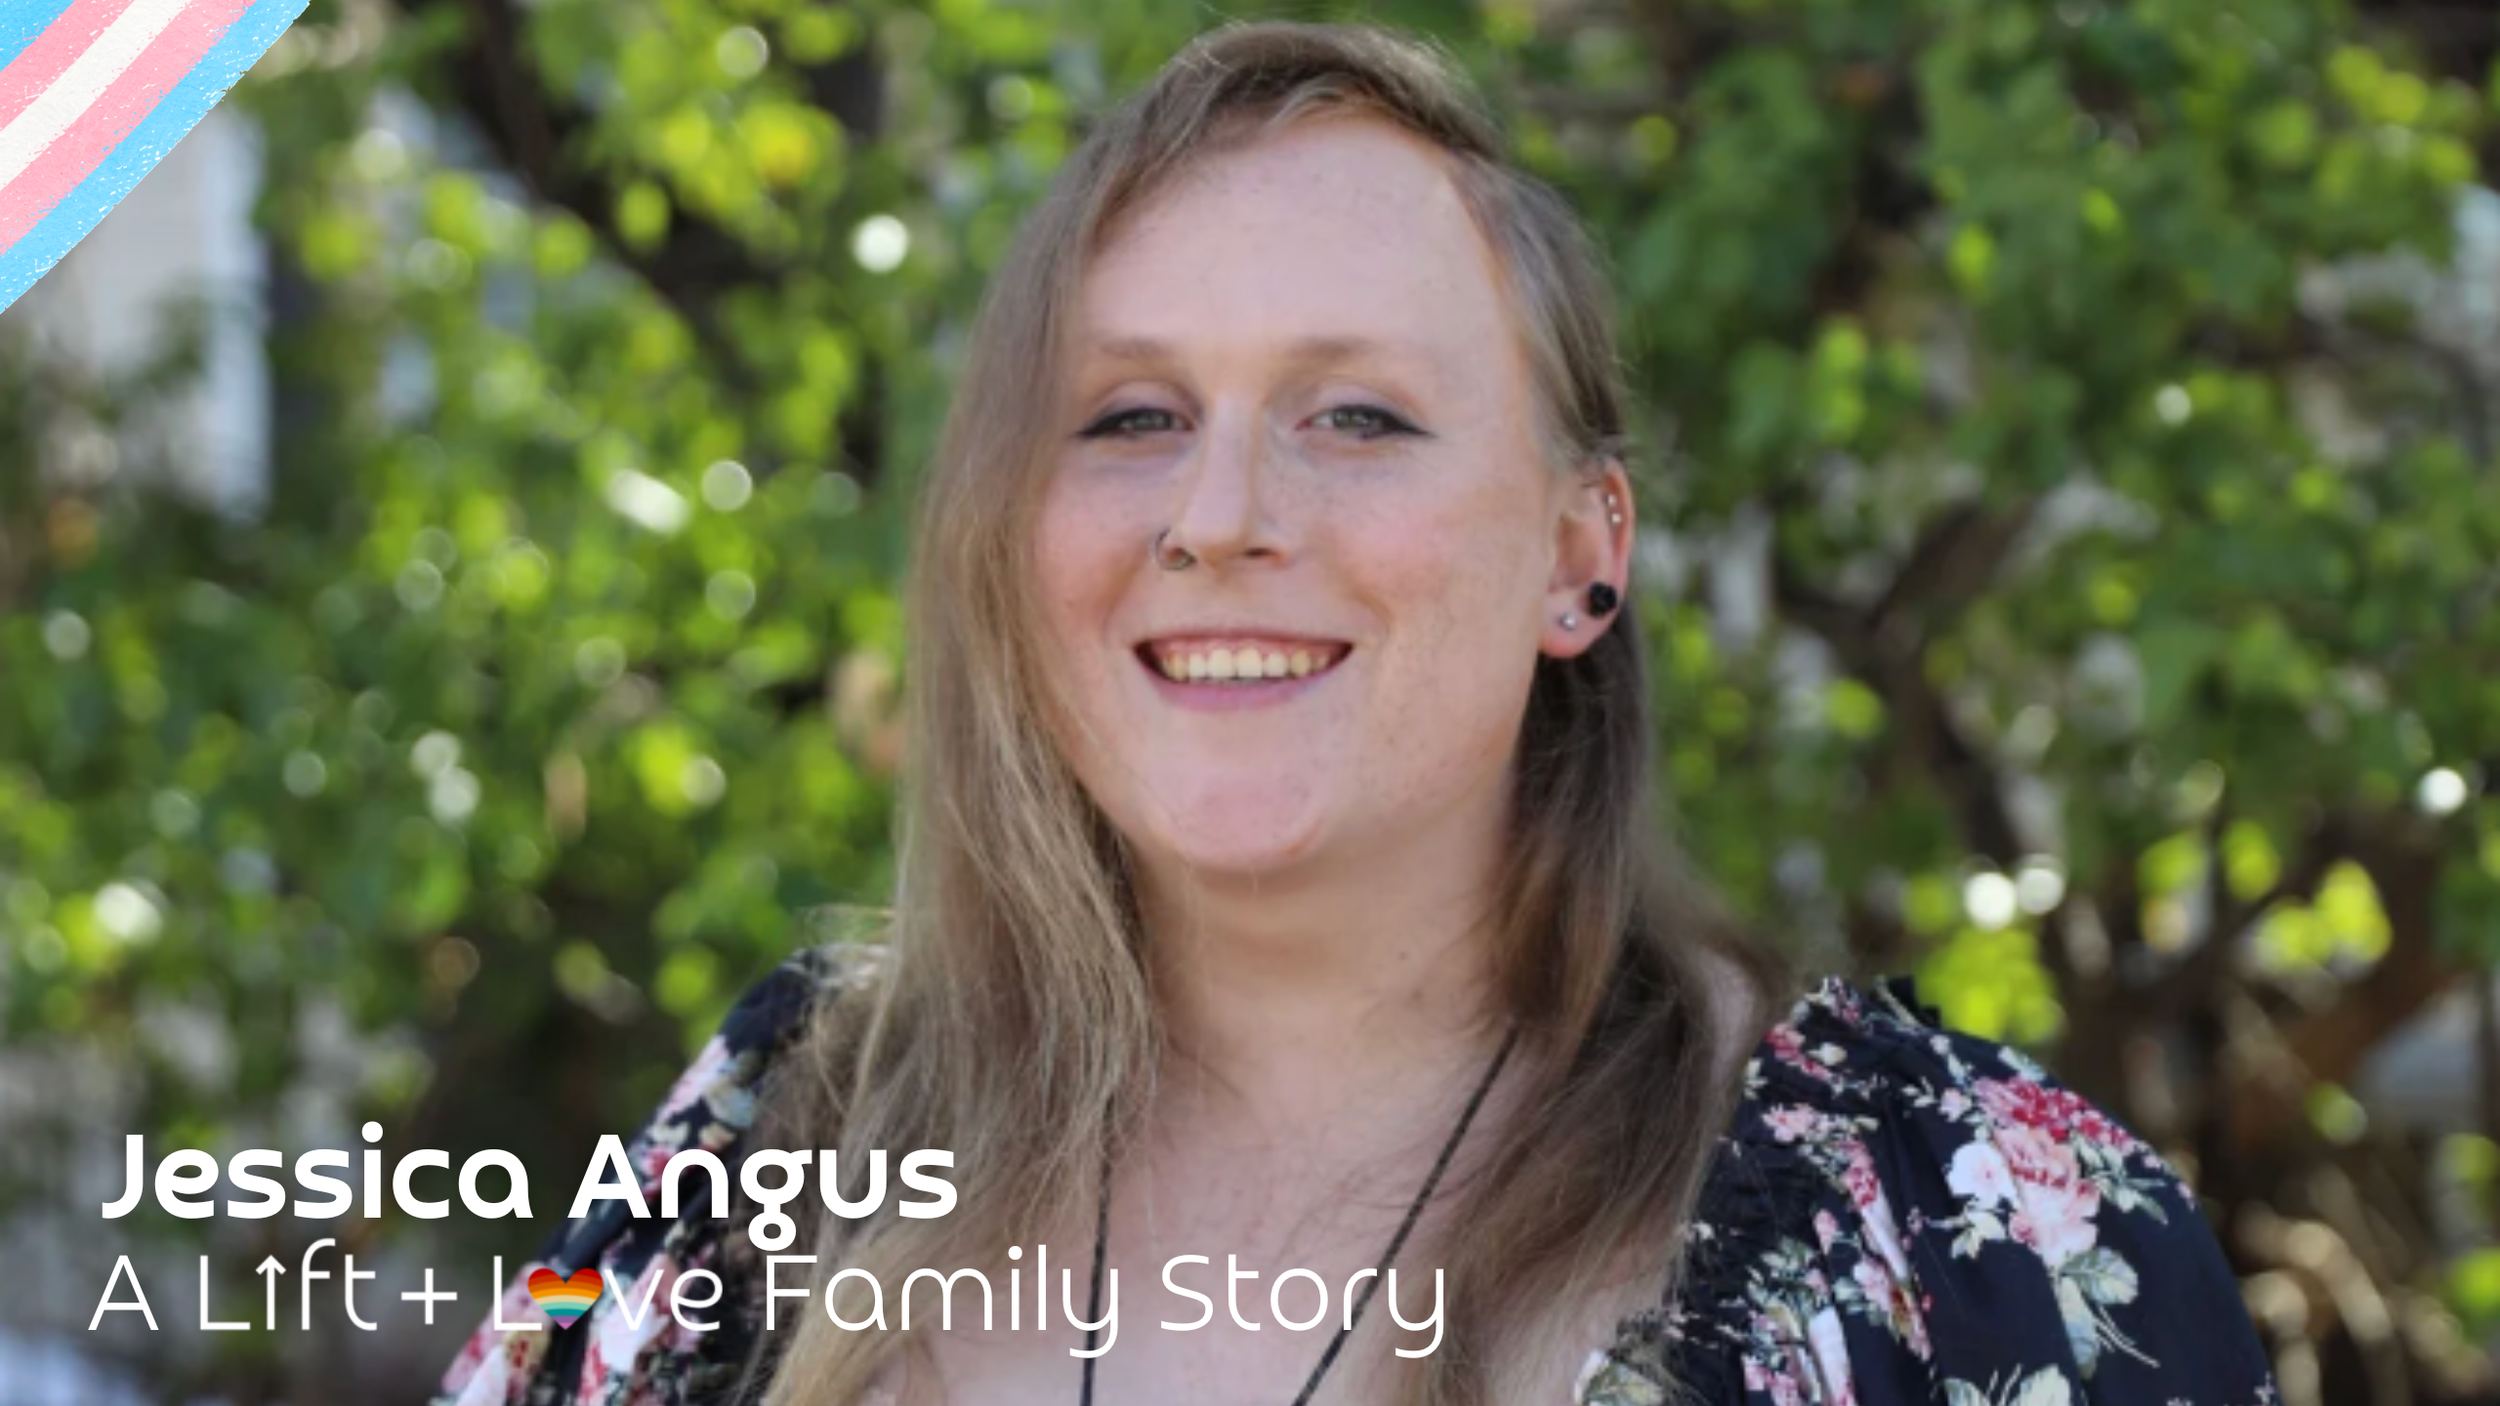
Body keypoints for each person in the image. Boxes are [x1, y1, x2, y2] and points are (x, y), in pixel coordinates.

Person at [436, 20, 2278, 1406]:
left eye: (1360, 417)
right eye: (1132, 415)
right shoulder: (759, 1151)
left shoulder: (1978, 1238)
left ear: (1582, 552)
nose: (1221, 512)